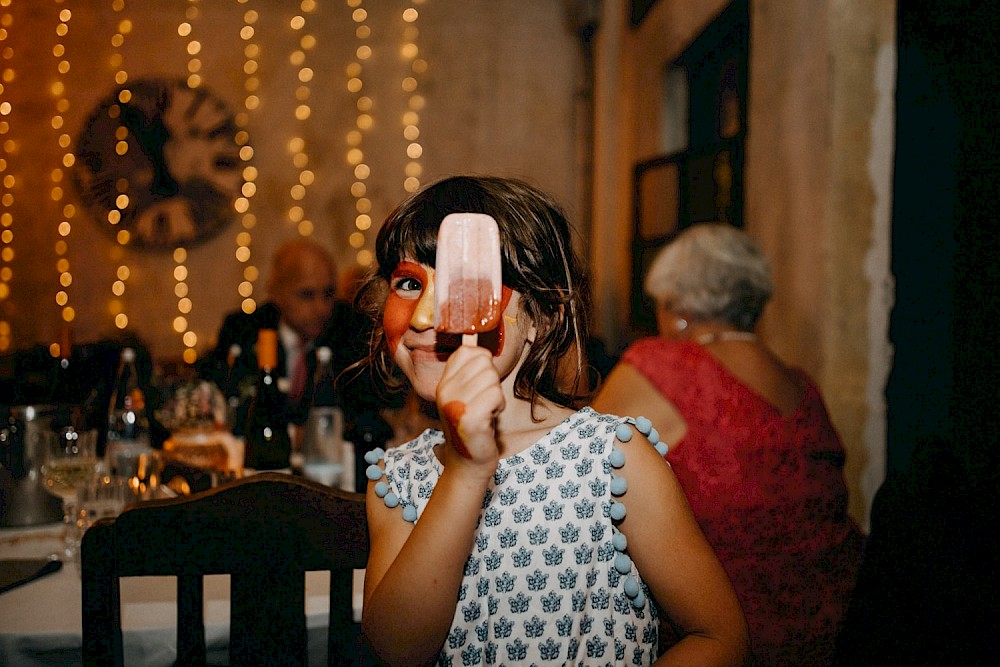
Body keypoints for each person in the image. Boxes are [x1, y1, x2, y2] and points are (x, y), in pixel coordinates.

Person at [356, 176, 748, 666]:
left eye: (463, 285)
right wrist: (466, 468)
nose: (422, 317)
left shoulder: (613, 462)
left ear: (542, 318)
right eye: (410, 284)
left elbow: (719, 637)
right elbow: (397, 650)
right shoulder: (398, 479)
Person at [593, 222, 865, 666]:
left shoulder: (661, 364)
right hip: (835, 626)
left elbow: (572, 470)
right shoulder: (802, 384)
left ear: (678, 311)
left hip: (721, 639)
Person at [203, 238, 391, 446]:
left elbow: (365, 414)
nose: (321, 308)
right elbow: (221, 408)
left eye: (328, 294)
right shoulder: (243, 330)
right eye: (306, 295)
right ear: (276, 292)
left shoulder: (352, 328)